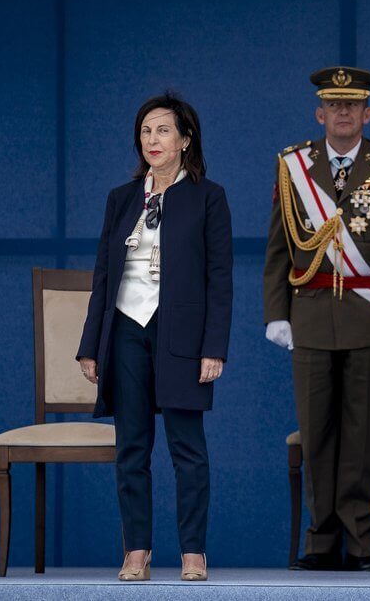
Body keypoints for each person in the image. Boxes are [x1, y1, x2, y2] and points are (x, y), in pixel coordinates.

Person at [76, 93, 232, 582]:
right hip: (126, 328)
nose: (153, 140)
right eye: (146, 131)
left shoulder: (209, 196)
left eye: (164, 130)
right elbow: (104, 273)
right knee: (132, 447)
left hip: (181, 331)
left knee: (187, 447)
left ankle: (193, 552)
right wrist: (90, 343)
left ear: (186, 140)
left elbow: (220, 278)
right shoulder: (121, 198)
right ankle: (137, 551)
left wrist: (214, 347)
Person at [263, 66, 370, 572]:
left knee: (364, 438)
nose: (343, 113)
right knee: (317, 435)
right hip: (309, 318)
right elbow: (279, 249)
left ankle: (362, 545)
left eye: (353, 105)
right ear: (319, 113)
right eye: (334, 104)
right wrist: (276, 314)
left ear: (368, 113)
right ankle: (321, 542)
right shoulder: (294, 167)